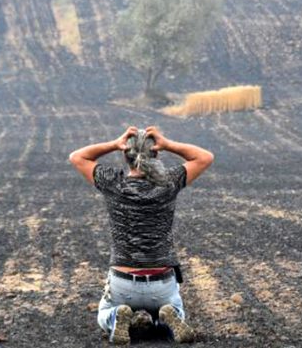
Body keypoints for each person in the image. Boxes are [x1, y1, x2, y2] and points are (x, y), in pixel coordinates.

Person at [68, 126, 214, 344]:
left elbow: (77, 157)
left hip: (122, 282)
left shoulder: (113, 182)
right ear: (156, 154)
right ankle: (166, 316)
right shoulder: (168, 182)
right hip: (161, 282)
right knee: (176, 310)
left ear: (125, 155)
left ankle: (117, 316)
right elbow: (205, 157)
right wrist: (167, 143)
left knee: (103, 315)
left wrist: (114, 143)